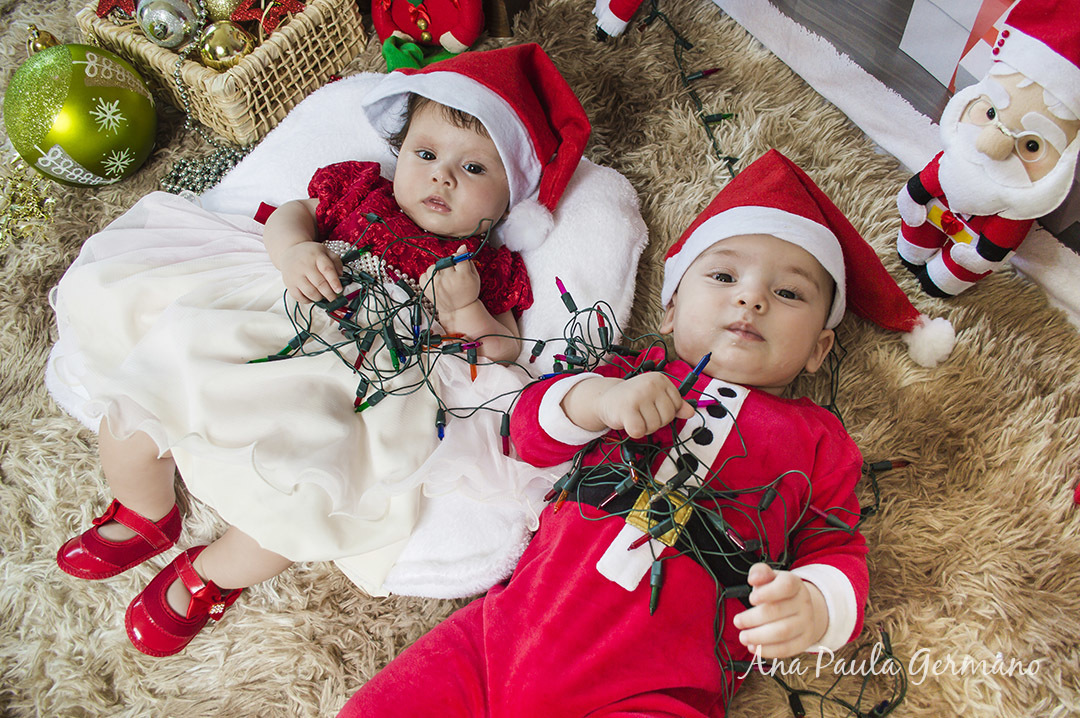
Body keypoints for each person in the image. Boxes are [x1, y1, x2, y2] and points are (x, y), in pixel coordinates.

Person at [338, 150, 954, 717]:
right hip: (503, 637)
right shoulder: (631, 375)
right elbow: (527, 432)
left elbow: (837, 545)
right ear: (670, 309)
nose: (751, 299)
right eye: (723, 277)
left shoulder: (819, 440)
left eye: (788, 292)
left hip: (656, 688)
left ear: (819, 348)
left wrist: (817, 605)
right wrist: (597, 401)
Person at [47, 43, 590, 657]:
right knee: (148, 387)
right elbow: (291, 214)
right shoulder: (363, 194)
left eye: (473, 169)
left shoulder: (486, 266)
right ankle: (146, 507)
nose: (442, 177)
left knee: (313, 498)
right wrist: (294, 251)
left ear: (509, 198)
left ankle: (213, 573)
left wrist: (466, 311)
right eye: (427, 154)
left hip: (366, 384)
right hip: (274, 325)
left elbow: (503, 352)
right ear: (401, 152)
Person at [895, 0, 1080, 297]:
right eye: (991, 113)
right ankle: (913, 250)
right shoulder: (958, 159)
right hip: (934, 211)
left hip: (973, 242)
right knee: (913, 241)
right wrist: (913, 196)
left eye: (1031, 145)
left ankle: (942, 278)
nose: (992, 147)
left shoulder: (1017, 205)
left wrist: (982, 257)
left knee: (950, 276)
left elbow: (999, 240)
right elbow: (925, 183)